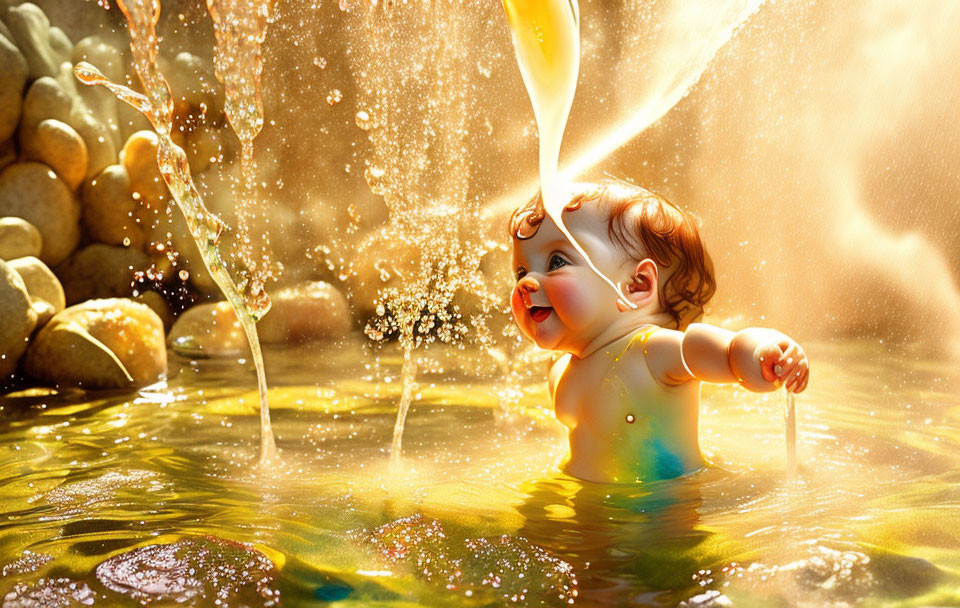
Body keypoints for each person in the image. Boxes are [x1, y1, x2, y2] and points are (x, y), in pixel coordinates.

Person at [509, 181, 809, 483]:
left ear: (637, 286)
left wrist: (766, 354)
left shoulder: (652, 353)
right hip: (589, 515)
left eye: (556, 261)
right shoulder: (562, 369)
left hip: (660, 517)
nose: (527, 283)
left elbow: (730, 354)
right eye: (521, 271)